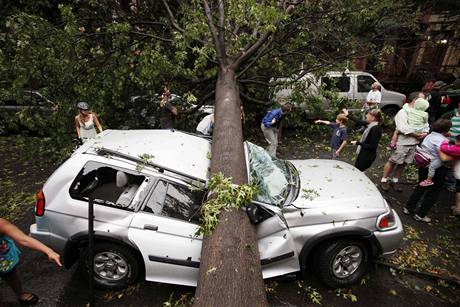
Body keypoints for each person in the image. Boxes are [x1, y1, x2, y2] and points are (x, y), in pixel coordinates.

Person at [0, 218, 61, 305]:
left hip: (4, 261)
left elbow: (24, 239)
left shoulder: (1, 224)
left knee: (12, 276)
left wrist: (49, 251)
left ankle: (19, 294)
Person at [404, 119, 452, 222]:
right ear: (446, 130)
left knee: (421, 186)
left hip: (424, 165)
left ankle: (409, 207)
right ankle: (420, 214)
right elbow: (443, 158)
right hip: (437, 169)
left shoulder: (429, 136)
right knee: (433, 192)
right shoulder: (442, 141)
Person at [380, 92, 427, 192]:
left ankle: (395, 181)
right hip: (402, 143)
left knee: (403, 163)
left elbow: (425, 124)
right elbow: (402, 128)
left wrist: (424, 132)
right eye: (422, 99)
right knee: (393, 161)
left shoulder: (420, 112)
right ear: (415, 100)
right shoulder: (403, 112)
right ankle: (384, 180)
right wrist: (417, 134)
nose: (425, 101)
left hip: (414, 143)